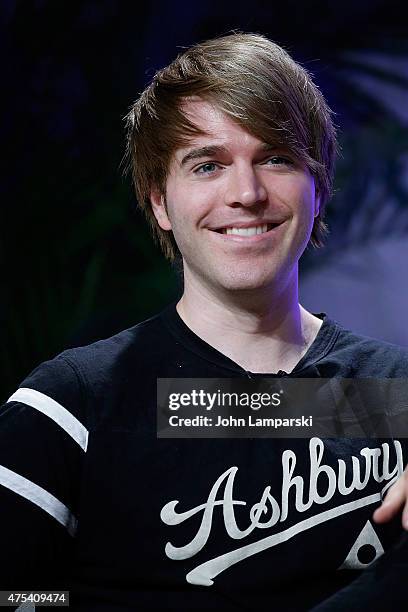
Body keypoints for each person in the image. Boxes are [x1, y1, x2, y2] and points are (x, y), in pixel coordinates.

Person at [1, 32, 408, 611]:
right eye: (207, 165)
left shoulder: (394, 394)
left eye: (275, 158)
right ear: (160, 201)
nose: (245, 193)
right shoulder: (75, 407)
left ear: (318, 188)